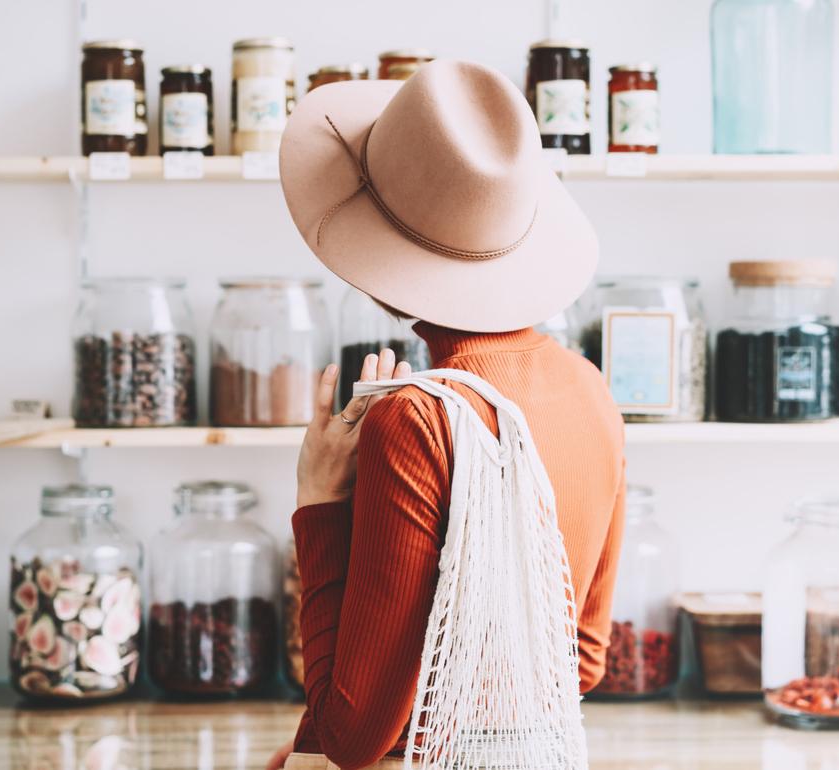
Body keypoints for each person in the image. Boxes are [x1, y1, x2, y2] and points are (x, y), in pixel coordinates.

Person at [267, 60, 626, 770]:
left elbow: (351, 738)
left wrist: (319, 501)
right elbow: (579, 668)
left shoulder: (416, 421)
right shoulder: (592, 391)